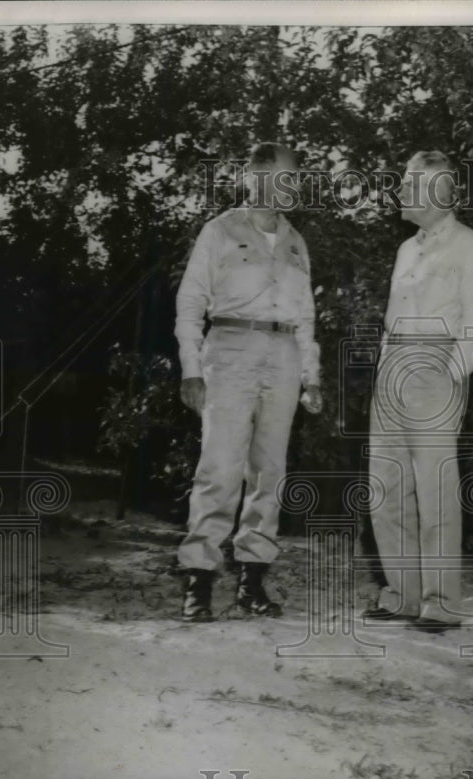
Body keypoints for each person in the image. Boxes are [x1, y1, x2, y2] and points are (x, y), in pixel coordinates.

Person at [174, 142, 323, 622]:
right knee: (219, 468)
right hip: (231, 351)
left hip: (282, 358)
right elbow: (190, 303)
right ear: (257, 180)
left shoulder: (297, 242)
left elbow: (305, 317)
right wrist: (191, 369)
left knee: (269, 472)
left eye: (296, 179)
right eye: (286, 178)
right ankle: (198, 581)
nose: (294, 187)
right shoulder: (220, 231)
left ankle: (252, 584)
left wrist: (310, 376)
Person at [364, 150, 473, 633]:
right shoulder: (406, 249)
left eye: (410, 184)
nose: (400, 191)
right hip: (392, 367)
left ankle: (441, 603)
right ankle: (401, 596)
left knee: (435, 489)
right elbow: (391, 319)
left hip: (435, 368)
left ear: (438, 193)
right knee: (386, 487)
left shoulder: (469, 245)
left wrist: (452, 376)